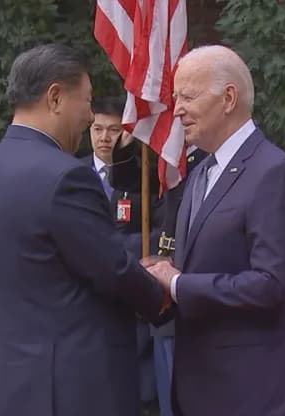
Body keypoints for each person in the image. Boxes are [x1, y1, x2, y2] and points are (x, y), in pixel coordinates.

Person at [0, 43, 168, 416]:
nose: (90, 116)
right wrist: (163, 295)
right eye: (86, 101)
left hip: (9, 382)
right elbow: (112, 269)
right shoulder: (66, 176)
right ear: (55, 97)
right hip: (73, 386)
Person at [144, 45, 285, 415]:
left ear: (229, 98)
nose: (178, 109)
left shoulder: (272, 172)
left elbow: (271, 286)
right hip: (198, 390)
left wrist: (178, 284)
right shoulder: (200, 173)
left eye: (188, 97)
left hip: (251, 393)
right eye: (175, 98)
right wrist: (156, 284)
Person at [110, 120, 206, 416]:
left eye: (188, 99)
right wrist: (133, 130)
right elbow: (126, 178)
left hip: (192, 288)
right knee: (168, 401)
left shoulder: (207, 158)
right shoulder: (173, 155)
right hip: (166, 295)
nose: (179, 110)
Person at [85, 95, 162, 409]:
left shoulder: (144, 177)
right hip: (87, 295)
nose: (104, 137)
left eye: (113, 130)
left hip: (130, 289)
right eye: (97, 129)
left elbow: (157, 233)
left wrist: (112, 251)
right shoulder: (71, 174)